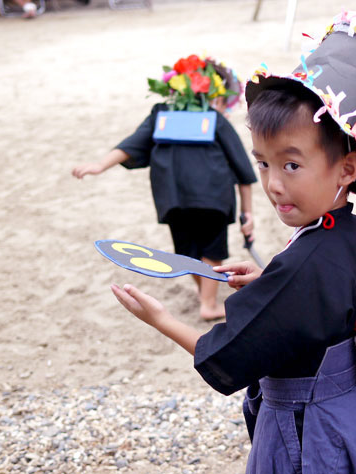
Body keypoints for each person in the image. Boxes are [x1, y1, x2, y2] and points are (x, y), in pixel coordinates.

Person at [108, 12, 356, 474]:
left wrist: (161, 319)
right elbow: (321, 298)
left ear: (348, 168)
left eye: (292, 164)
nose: (274, 184)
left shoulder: (305, 262)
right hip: (349, 418)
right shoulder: (346, 230)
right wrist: (270, 277)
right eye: (263, 163)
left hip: (310, 432)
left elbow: (231, 349)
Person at [72, 56, 256, 321]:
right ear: (213, 94)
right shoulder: (213, 119)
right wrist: (247, 214)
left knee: (187, 252)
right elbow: (242, 170)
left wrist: (100, 165)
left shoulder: (161, 115)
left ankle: (205, 295)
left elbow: (132, 145)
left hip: (172, 197)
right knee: (212, 250)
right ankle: (208, 303)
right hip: (212, 196)